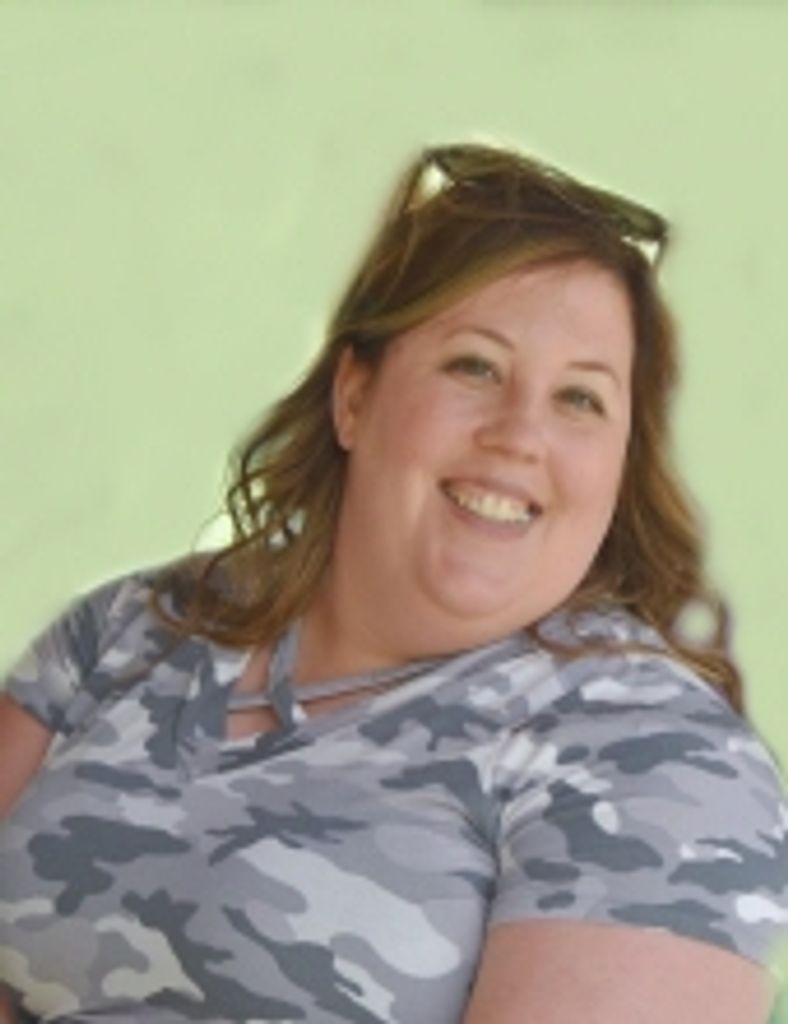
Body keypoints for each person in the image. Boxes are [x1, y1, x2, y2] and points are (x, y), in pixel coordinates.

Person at [1, 141, 786, 1024]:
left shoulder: (655, 760)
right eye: (475, 366)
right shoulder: (141, 627)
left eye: (580, 399)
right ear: (354, 397)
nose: (519, 435)